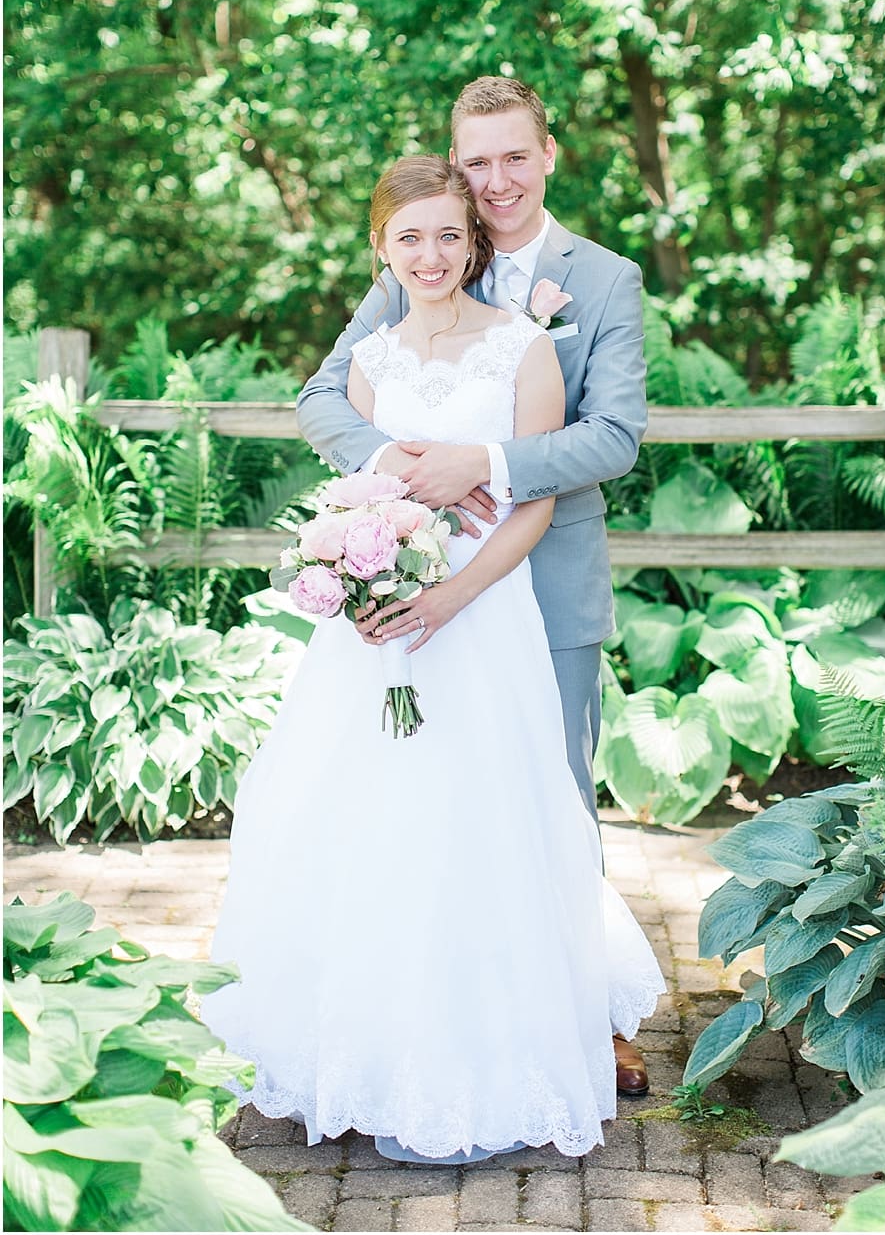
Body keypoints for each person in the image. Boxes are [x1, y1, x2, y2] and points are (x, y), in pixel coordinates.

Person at [203, 156, 665, 1164]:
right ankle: (368, 1050)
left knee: (486, 815)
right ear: (382, 246)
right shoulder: (370, 361)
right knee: (370, 819)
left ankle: (491, 1050)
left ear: (474, 242)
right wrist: (360, 573)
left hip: (484, 618)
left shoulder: (523, 348)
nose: (431, 254)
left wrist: (452, 593)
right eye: (409, 237)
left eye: (449, 236)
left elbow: (533, 500)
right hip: (379, 636)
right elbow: (351, 481)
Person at [296, 76, 655, 1096]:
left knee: (555, 799)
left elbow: (615, 436)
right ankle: (435, 1004)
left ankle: (585, 1017)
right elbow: (327, 389)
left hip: (547, 582)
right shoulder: (426, 247)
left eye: (513, 157)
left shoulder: (604, 279)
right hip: (417, 569)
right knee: (430, 794)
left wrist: (483, 466)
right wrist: (398, 481)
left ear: (549, 154)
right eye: (476, 159)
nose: (493, 181)